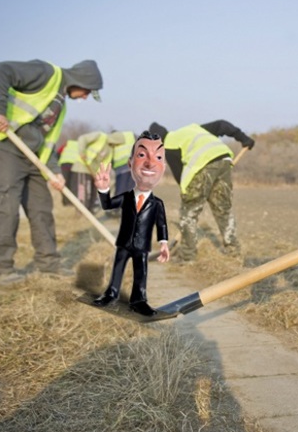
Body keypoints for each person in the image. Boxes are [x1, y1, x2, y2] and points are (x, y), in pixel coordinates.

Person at [0, 59, 103, 285]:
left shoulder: (61, 106)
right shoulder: (46, 73)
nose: (85, 97)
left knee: (42, 209)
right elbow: (1, 69)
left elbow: (48, 143)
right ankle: (1, 268)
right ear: (81, 80)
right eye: (87, 91)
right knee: (5, 207)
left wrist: (54, 172)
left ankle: (48, 263)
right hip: (5, 145)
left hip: (34, 157)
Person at [148, 120, 255, 262]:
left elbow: (182, 178)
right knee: (223, 210)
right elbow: (221, 125)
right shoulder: (192, 129)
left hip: (202, 166)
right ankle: (234, 252)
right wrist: (243, 138)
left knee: (188, 213)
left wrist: (192, 197)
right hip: (223, 160)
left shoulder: (168, 146)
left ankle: (187, 257)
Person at [92, 130, 170, 316]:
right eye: (141, 155)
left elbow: (162, 225)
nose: (150, 163)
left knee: (141, 273)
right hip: (124, 243)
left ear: (163, 167)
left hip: (142, 246)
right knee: (117, 268)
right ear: (130, 163)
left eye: (158, 157)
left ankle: (139, 300)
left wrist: (164, 243)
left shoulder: (157, 204)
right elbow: (108, 205)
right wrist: (103, 189)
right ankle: (111, 293)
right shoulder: (126, 197)